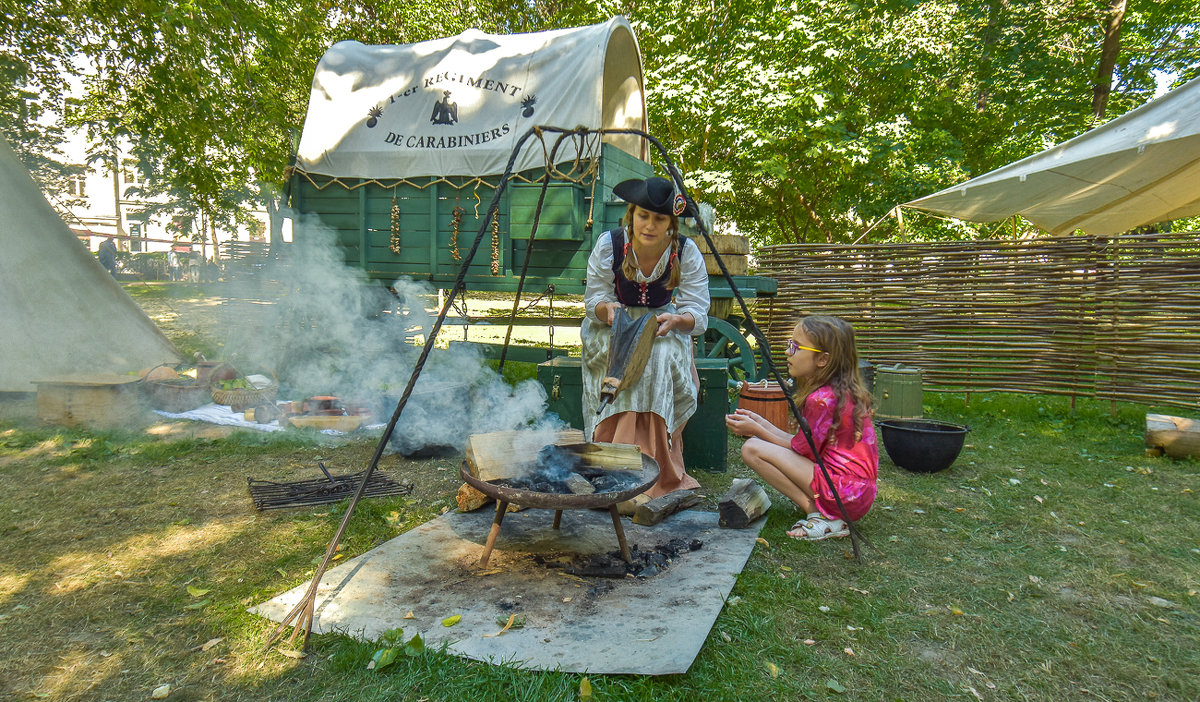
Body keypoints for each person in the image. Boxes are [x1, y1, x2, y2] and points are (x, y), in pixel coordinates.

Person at [581, 176, 709, 499]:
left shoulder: (685, 252)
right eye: (643, 215)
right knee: (621, 358)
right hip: (613, 326)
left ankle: (657, 474)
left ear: (671, 224)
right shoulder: (609, 245)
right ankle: (611, 467)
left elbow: (698, 311)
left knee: (659, 356)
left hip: (664, 324)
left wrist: (679, 319)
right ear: (631, 214)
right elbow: (593, 299)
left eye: (659, 218)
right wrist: (606, 311)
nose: (649, 225)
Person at [725, 315, 878, 540]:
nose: (788, 352)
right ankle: (825, 511)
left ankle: (818, 514)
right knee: (756, 444)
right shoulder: (838, 391)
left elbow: (801, 449)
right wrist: (760, 422)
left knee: (751, 449)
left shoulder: (822, 399)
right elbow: (804, 442)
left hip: (843, 493)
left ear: (823, 359)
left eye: (795, 347)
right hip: (858, 493)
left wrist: (757, 429)